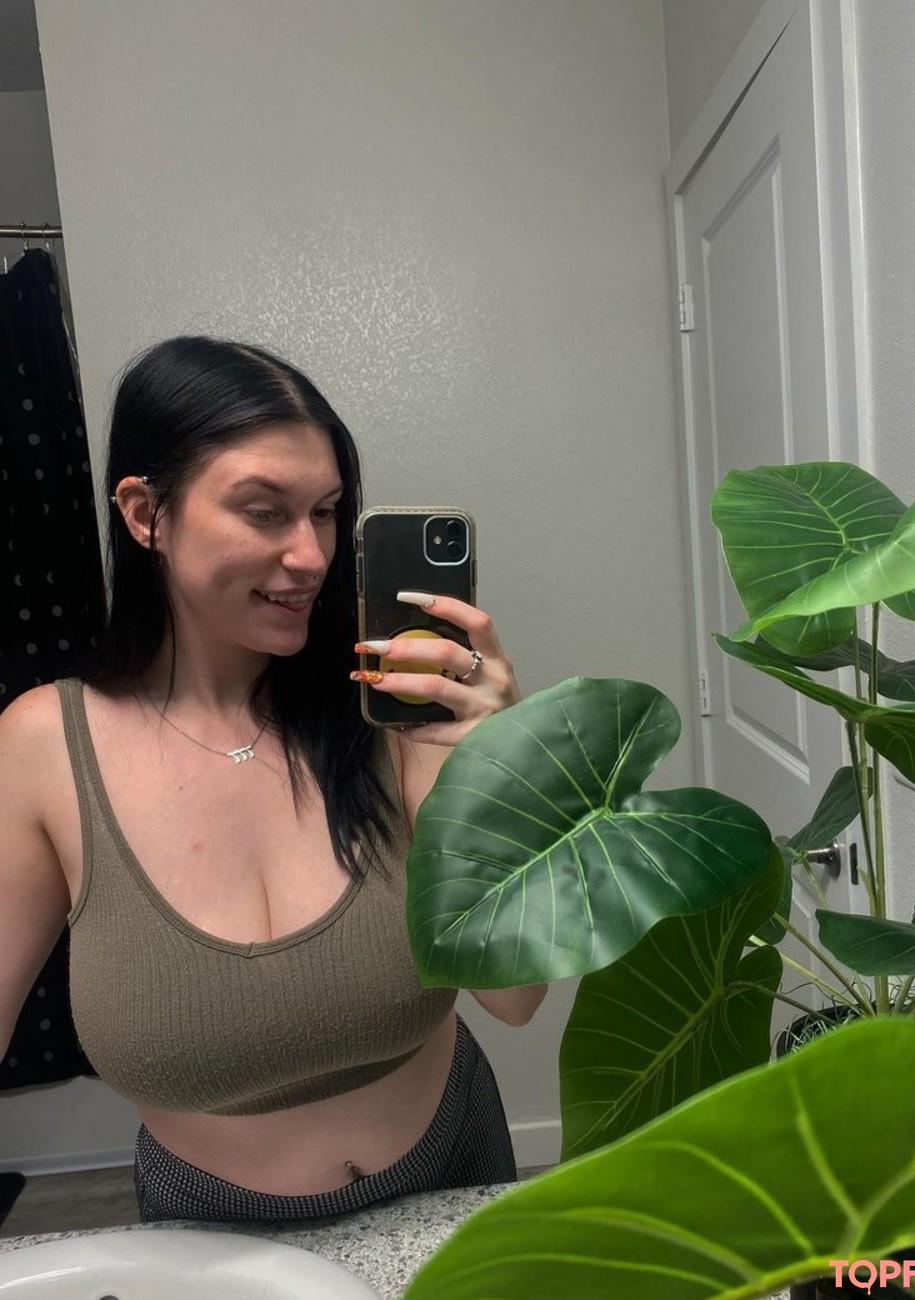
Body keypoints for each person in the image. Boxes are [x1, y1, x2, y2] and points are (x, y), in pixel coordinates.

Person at [0, 335, 546, 1224]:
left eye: (325, 513)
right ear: (145, 513)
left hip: (454, 1167)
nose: (312, 556)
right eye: (265, 512)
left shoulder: (393, 709)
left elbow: (515, 997)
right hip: (208, 1226)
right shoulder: (43, 748)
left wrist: (491, 765)